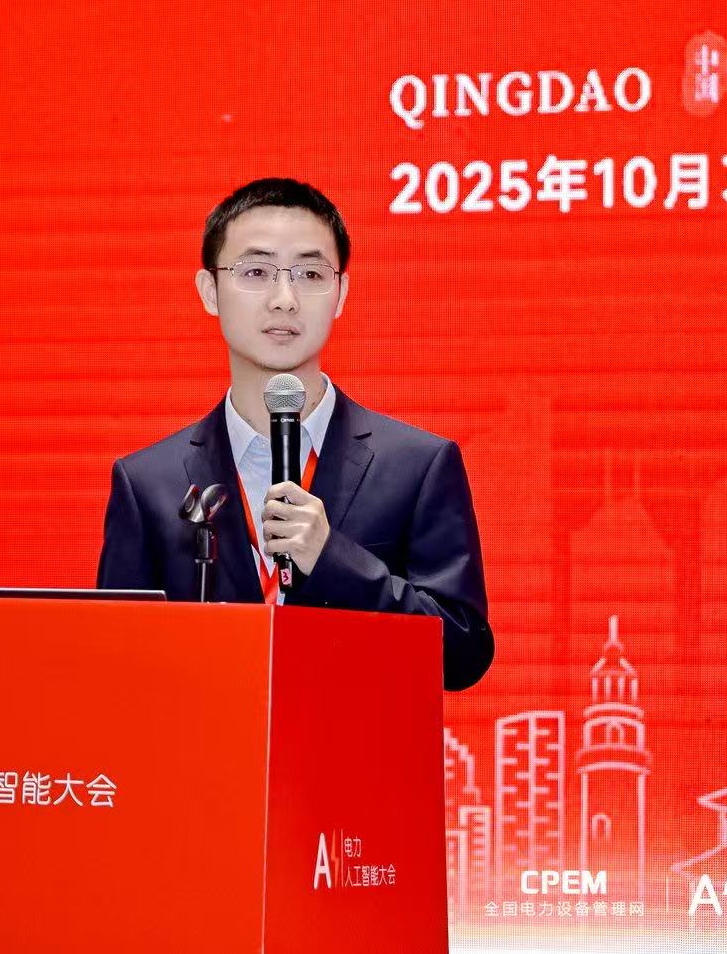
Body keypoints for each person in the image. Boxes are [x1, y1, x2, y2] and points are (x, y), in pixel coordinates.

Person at [96, 178, 493, 691]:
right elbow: (114, 665)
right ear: (210, 291)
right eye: (256, 272)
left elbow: (463, 655)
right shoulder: (148, 482)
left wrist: (334, 560)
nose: (284, 300)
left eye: (310, 274)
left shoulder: (417, 464)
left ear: (341, 294)